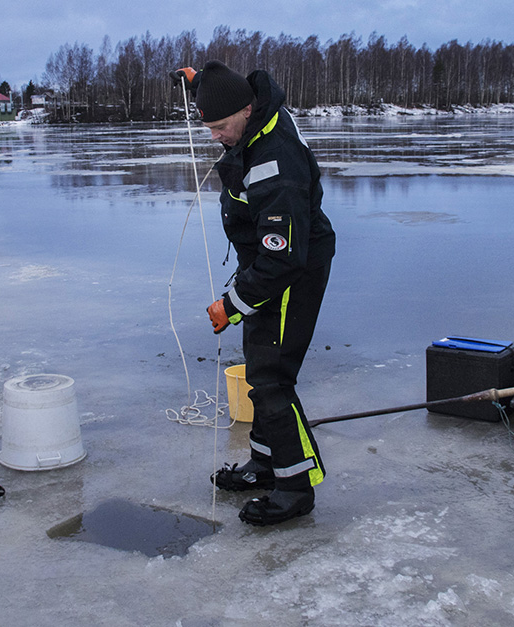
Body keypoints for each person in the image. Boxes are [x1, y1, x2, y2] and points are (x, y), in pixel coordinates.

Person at [177, 61, 337, 525]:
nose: (215, 137)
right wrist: (197, 83)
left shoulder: (275, 162)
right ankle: (266, 465)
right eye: (207, 126)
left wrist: (230, 306)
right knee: (259, 372)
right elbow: (221, 91)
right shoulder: (252, 109)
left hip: (292, 270)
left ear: (247, 112)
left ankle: (295, 487)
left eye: (221, 127)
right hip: (268, 267)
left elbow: (282, 259)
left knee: (271, 380)